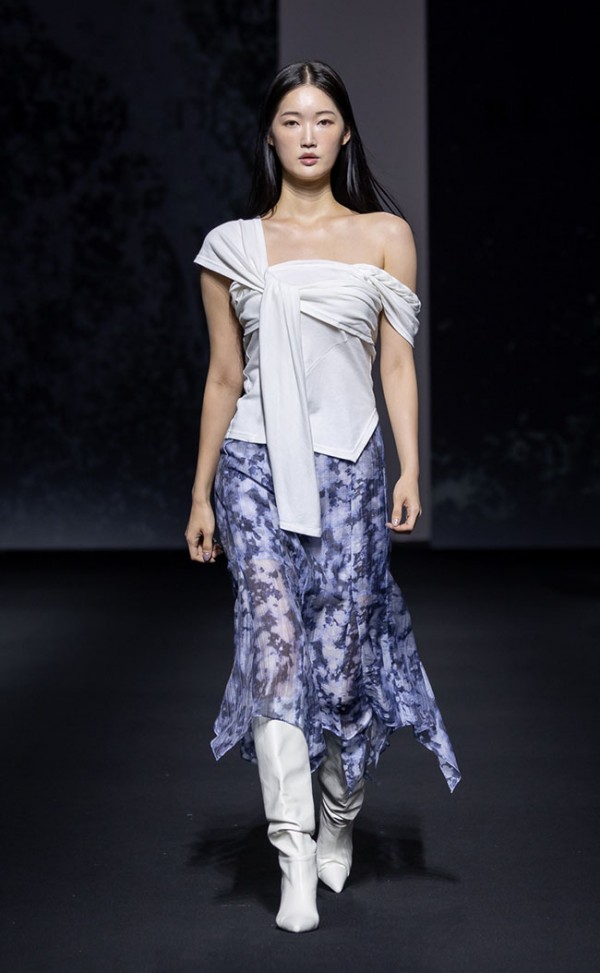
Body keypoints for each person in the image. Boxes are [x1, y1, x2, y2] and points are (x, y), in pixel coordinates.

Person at [185, 60, 461, 934]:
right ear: (270, 135)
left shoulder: (385, 235)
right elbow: (223, 376)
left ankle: (339, 808)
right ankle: (293, 852)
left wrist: (410, 468)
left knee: (342, 661)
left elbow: (396, 363)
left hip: (351, 467)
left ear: (344, 133)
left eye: (323, 119)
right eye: (291, 120)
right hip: (253, 464)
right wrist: (200, 494)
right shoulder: (232, 246)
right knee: (272, 639)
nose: (307, 135)